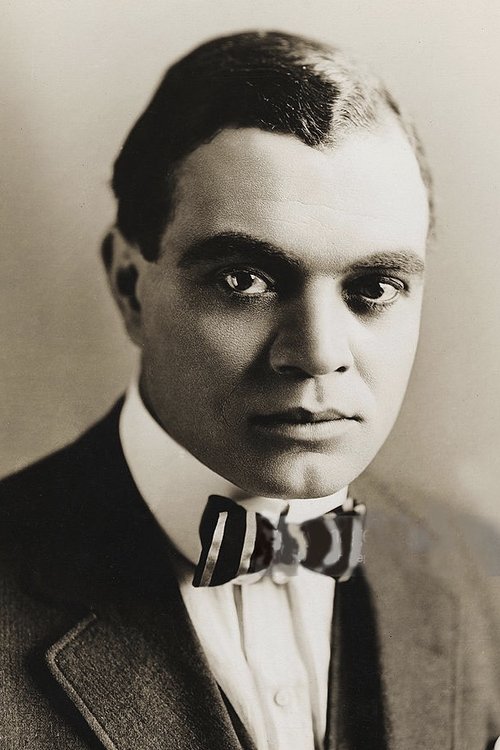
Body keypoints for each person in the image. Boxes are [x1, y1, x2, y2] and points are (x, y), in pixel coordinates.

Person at [1, 30, 499, 750]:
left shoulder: (482, 574)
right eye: (245, 281)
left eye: (374, 288)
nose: (318, 354)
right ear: (130, 287)